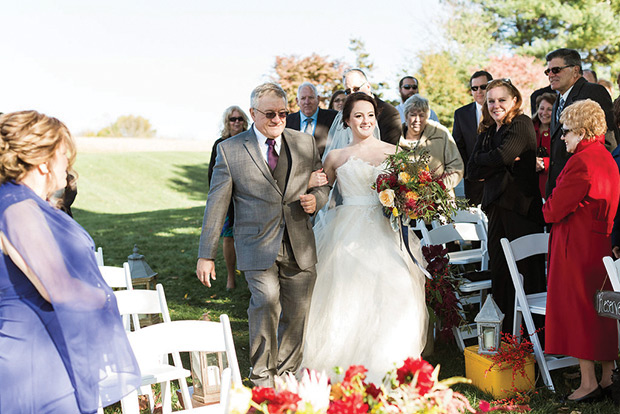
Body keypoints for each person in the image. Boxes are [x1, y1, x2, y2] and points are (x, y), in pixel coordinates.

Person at [0, 110, 140, 413]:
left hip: (49, 350)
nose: (69, 164)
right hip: (36, 362)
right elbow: (57, 288)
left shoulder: (25, 203)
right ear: (43, 161)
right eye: (64, 154)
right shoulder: (18, 207)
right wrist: (102, 296)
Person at [196, 83, 330, 387]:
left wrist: (316, 199)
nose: (278, 119)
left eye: (283, 113)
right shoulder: (230, 150)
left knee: (297, 313)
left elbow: (322, 184)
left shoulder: (304, 143)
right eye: (270, 114)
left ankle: (286, 377)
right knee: (266, 301)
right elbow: (216, 204)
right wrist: (206, 254)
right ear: (254, 113)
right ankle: (261, 379)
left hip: (299, 242)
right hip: (255, 243)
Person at [302, 92, 428, 383]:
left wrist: (412, 199)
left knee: (395, 287)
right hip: (346, 229)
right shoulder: (335, 156)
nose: (366, 121)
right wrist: (311, 192)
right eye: (358, 115)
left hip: (384, 228)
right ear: (346, 121)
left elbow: (408, 189)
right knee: (344, 294)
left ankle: (389, 365)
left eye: (370, 115)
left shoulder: (392, 152)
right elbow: (323, 192)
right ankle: (341, 368)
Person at [543, 99, 619, 403]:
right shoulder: (607, 157)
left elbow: (553, 210)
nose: (563, 137)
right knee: (601, 311)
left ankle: (588, 383)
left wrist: (548, 205)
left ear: (584, 131)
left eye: (568, 132)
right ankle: (606, 376)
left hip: (575, 247)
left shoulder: (582, 161)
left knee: (580, 313)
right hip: (600, 245)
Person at [467, 79, 546, 332]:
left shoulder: (521, 123)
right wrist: (498, 161)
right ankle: (504, 336)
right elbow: (471, 169)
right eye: (491, 101)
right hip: (496, 209)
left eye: (501, 100)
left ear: (514, 100)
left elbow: (502, 155)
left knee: (526, 273)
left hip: (521, 210)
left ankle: (535, 338)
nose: (495, 105)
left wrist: (493, 161)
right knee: (500, 271)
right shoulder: (488, 130)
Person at [544, 48, 617, 198]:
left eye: (556, 70)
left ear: (575, 70)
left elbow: (608, 140)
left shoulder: (593, 92)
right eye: (548, 71)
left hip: (583, 190)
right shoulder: (558, 99)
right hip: (561, 188)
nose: (551, 75)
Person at [208, 105, 250, 290]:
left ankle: (251, 276)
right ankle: (231, 277)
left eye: (240, 118)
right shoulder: (220, 144)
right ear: (227, 122)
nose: (236, 122)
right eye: (232, 119)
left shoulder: (252, 141)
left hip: (248, 198)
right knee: (228, 238)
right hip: (228, 200)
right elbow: (212, 174)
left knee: (249, 237)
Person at [400, 94, 464, 196]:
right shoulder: (396, 138)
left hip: (440, 200)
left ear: (427, 116)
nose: (417, 120)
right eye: (413, 115)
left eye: (421, 115)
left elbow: (456, 167)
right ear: (406, 116)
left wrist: (436, 188)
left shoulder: (440, 133)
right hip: (407, 202)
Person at [453, 70, 493, 205]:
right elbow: (459, 147)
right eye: (474, 88)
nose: (479, 91)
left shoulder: (501, 111)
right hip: (473, 182)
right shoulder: (461, 114)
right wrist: (470, 173)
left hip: (497, 179)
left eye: (483, 87)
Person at [286, 82, 338, 157]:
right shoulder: (287, 121)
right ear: (297, 101)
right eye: (303, 98)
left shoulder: (333, 118)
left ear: (318, 99)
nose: (307, 102)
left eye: (311, 97)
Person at [531, 92, 556, 199]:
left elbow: (563, 160)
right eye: (542, 108)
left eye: (549, 109)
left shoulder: (560, 132)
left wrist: (544, 163)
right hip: (528, 187)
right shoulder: (529, 128)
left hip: (550, 188)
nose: (544, 113)